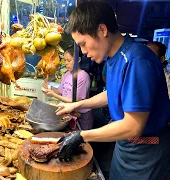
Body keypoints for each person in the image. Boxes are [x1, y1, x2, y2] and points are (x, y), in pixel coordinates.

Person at [54, 1, 170, 180]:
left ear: (102, 30)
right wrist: (77, 104)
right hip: (125, 147)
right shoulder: (115, 58)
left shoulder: (136, 61)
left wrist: (82, 136)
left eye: (84, 43)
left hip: (146, 154)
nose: (83, 52)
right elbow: (113, 92)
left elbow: (133, 126)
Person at [43, 46, 93, 130]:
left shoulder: (83, 77)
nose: (66, 63)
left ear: (78, 60)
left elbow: (77, 100)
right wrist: (48, 88)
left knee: (82, 141)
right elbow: (60, 91)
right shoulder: (67, 74)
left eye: (69, 60)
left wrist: (54, 95)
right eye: (65, 60)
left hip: (81, 117)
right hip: (69, 114)